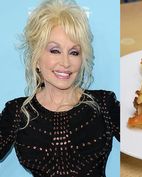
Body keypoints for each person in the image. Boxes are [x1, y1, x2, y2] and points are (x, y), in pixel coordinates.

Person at [0, 0, 120, 176]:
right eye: (55, 51)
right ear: (36, 57)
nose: (65, 63)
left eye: (74, 52)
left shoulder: (104, 103)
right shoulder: (17, 112)